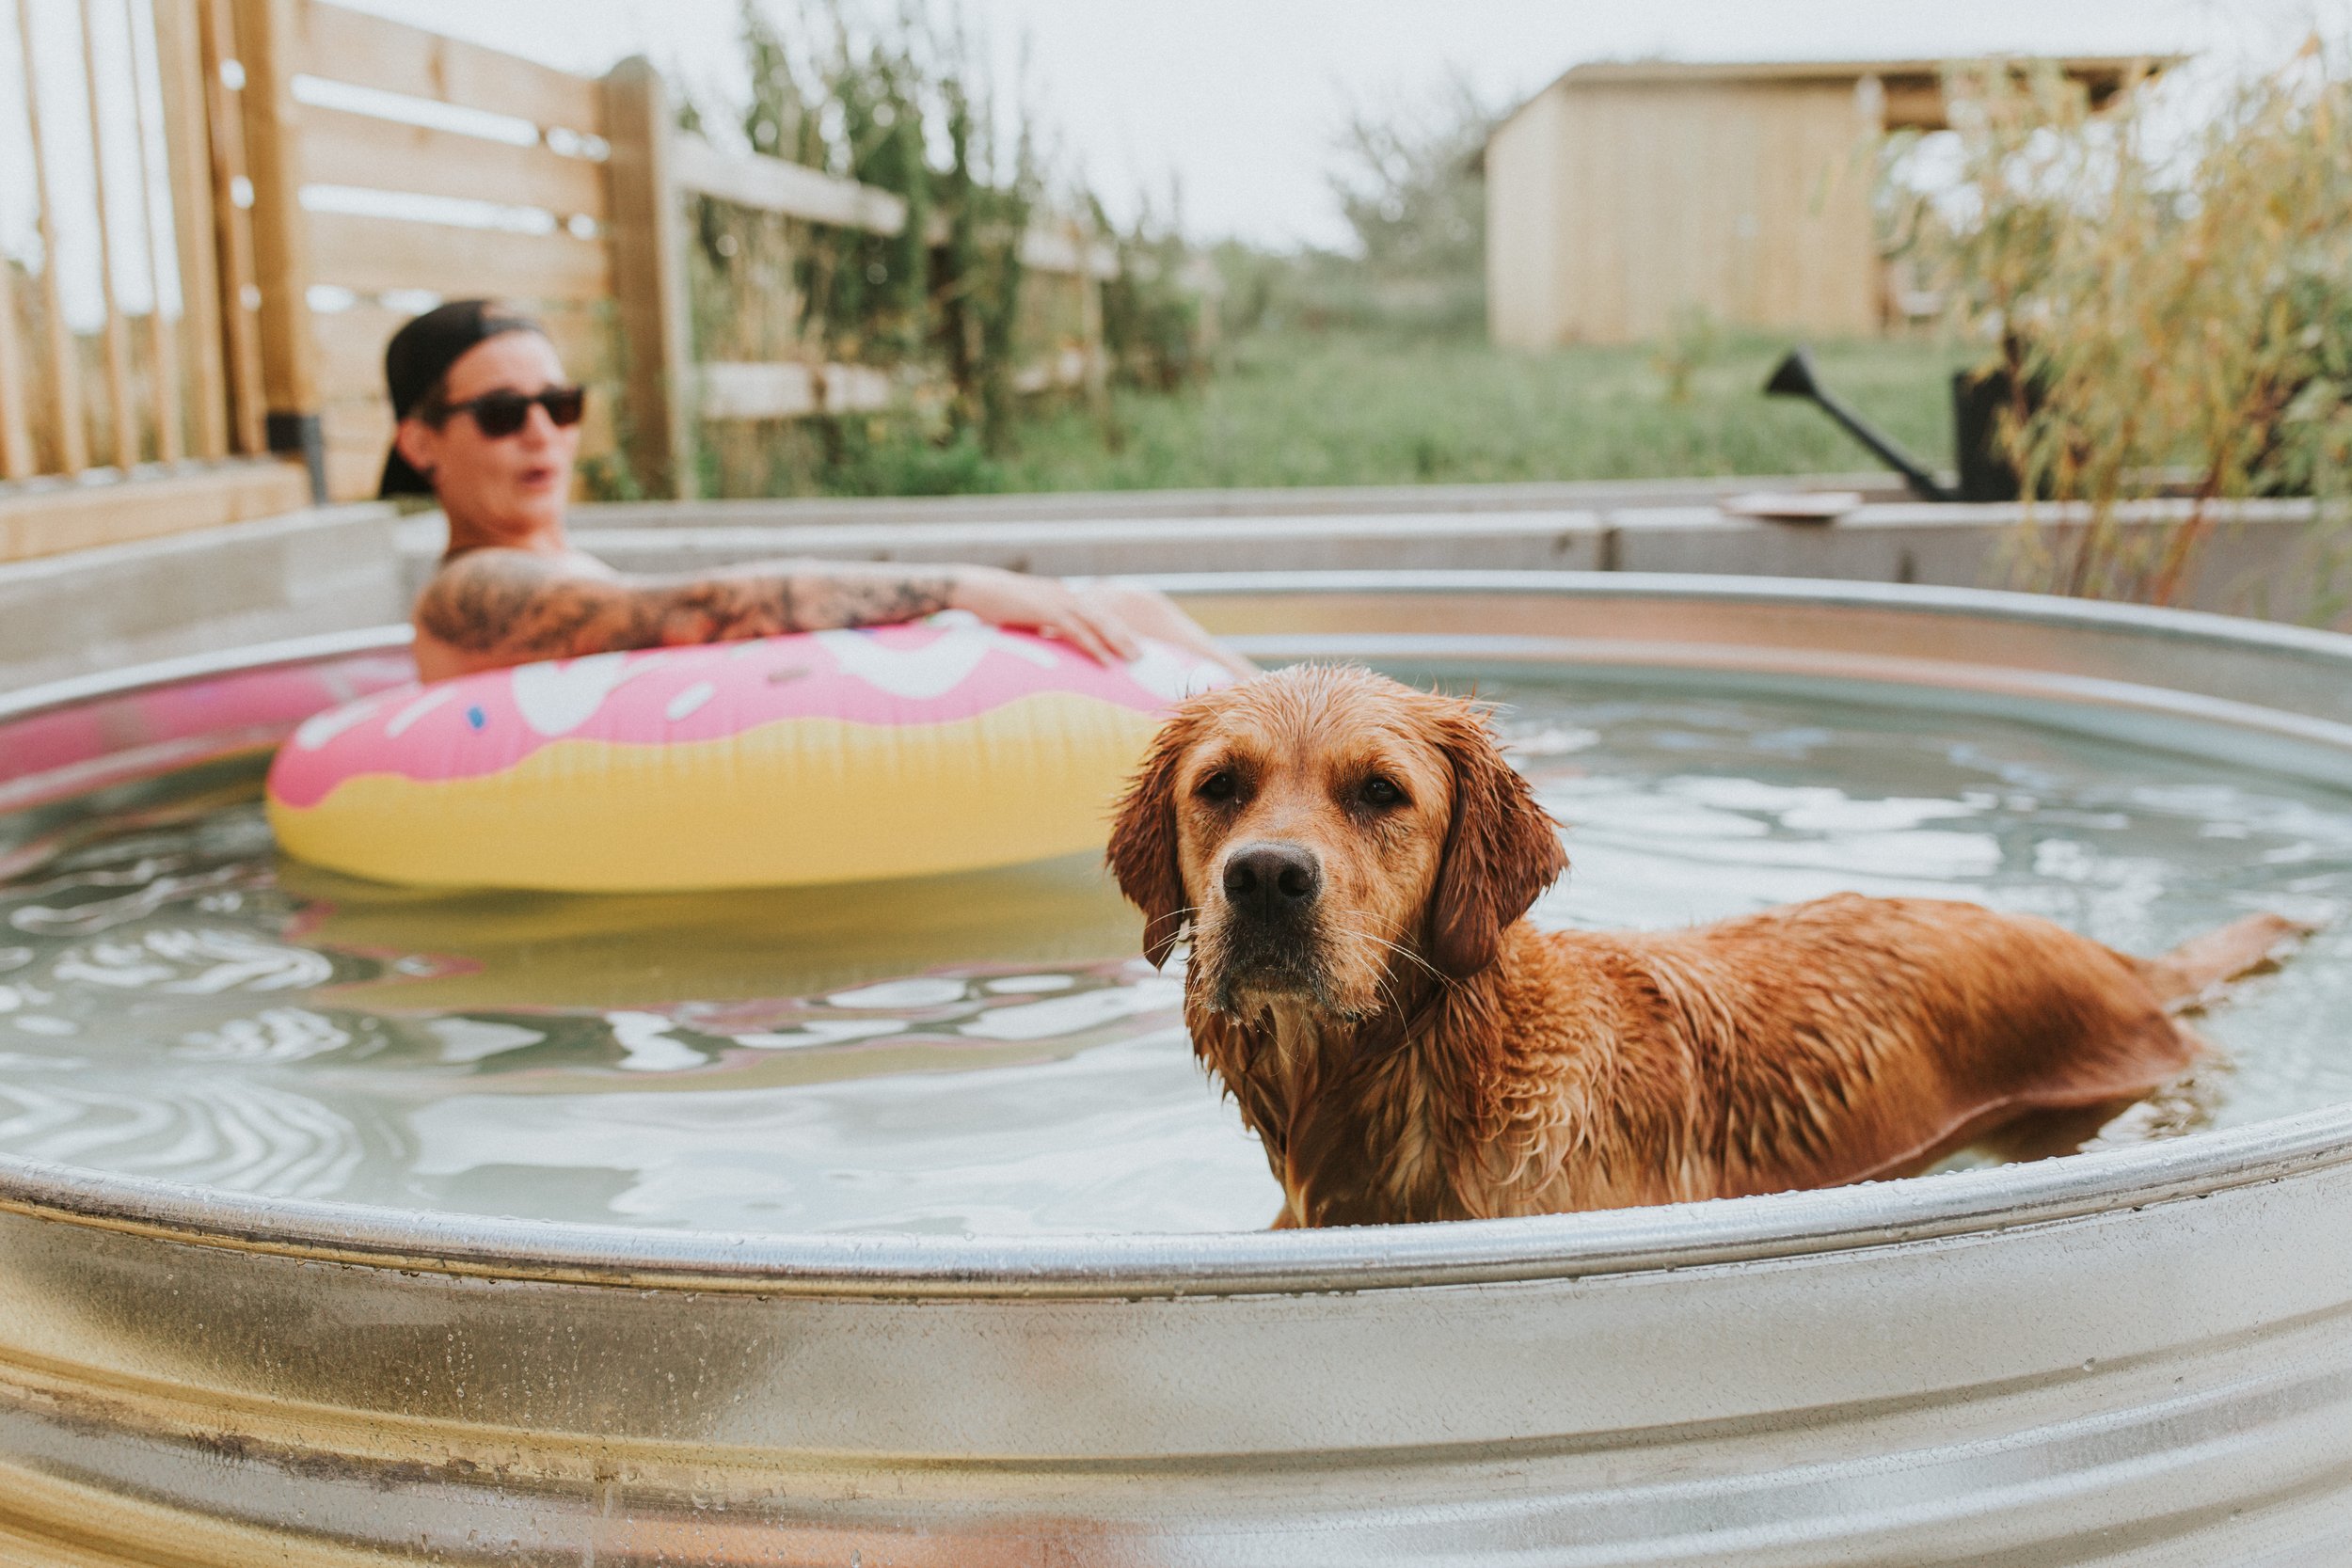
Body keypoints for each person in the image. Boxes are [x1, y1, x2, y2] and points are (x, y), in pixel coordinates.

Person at [383, 300, 1249, 685]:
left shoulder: (564, 565)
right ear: (420, 442)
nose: (542, 431)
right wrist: (968, 588)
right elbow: (691, 605)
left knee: (1129, 605)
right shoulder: (470, 593)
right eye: (502, 413)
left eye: (559, 403)